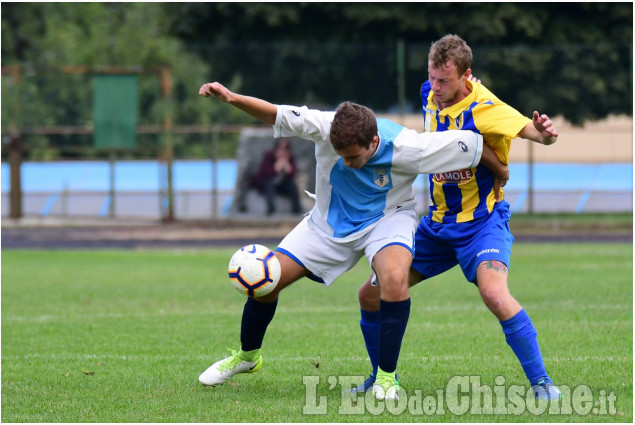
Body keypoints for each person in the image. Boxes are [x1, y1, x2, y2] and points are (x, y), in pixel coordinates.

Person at [196, 80, 508, 401]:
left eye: (353, 156)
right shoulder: (323, 126)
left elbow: (472, 142)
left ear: (373, 141)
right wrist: (232, 98)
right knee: (267, 282)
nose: (346, 162)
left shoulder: (410, 146)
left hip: (387, 220)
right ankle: (248, 357)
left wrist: (502, 169)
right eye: (340, 155)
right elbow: (275, 114)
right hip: (326, 225)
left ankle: (387, 379)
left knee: (394, 279)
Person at [350, 34, 561, 400]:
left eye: (445, 80)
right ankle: (381, 377)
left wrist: (543, 135)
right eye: (432, 77)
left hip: (482, 225)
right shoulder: (428, 95)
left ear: (467, 76)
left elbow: (531, 131)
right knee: (370, 295)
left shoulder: (486, 106)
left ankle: (542, 383)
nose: (436, 87)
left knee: (495, 295)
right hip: (434, 227)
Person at [250, 138, 302, 215]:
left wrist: (288, 169)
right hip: (267, 185)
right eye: (280, 148)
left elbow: (294, 175)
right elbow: (264, 174)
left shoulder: (290, 157)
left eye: (285, 149)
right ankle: (271, 209)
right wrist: (276, 168)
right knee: (269, 185)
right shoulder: (269, 155)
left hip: (282, 185)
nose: (282, 152)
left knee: (292, 186)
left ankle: (297, 211)